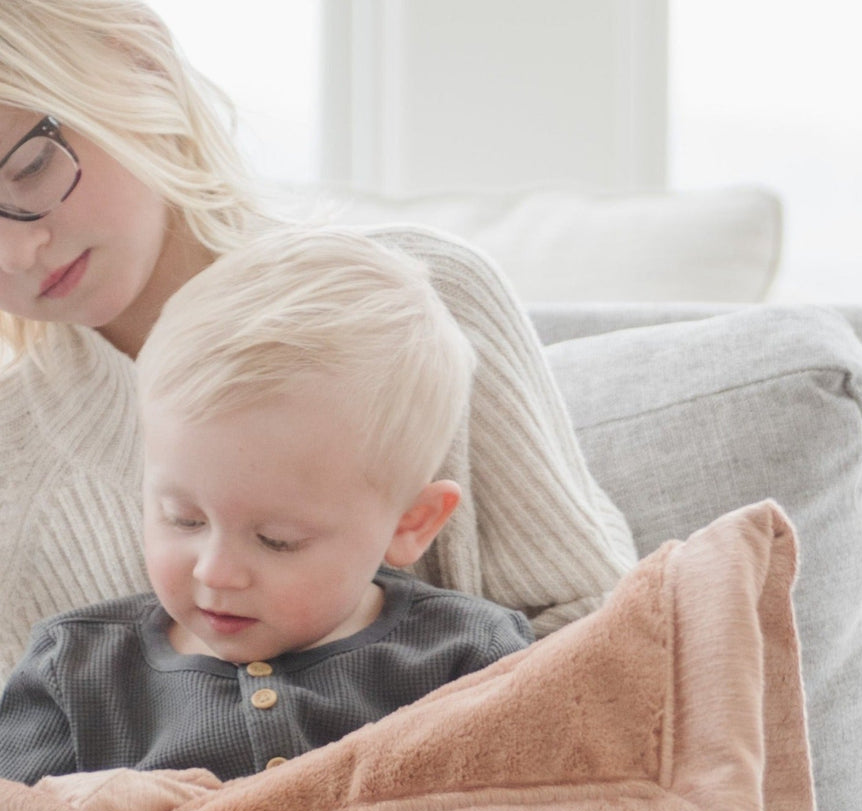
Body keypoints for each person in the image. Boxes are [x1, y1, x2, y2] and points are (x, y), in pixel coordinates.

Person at [0, 0, 636, 685]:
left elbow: (607, 627)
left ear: (140, 65)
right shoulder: (14, 465)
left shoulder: (431, 300)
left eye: (31, 168)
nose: (17, 251)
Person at [0, 225, 550, 811]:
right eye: (182, 518)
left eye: (278, 539)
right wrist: (74, 807)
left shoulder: (465, 652)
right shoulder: (75, 665)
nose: (216, 571)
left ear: (410, 525)